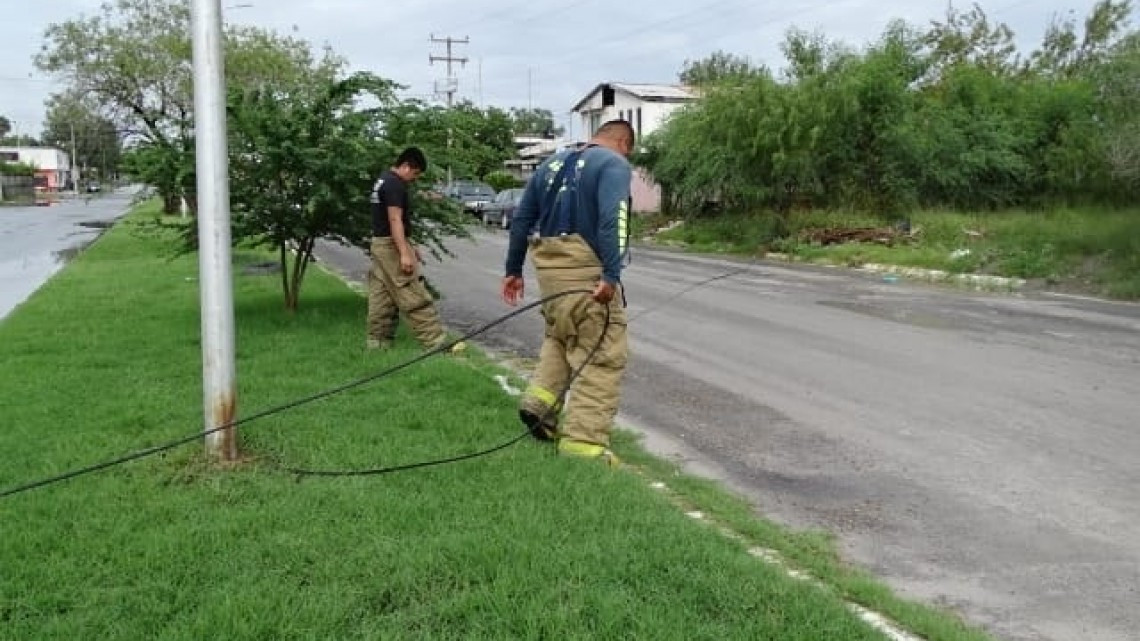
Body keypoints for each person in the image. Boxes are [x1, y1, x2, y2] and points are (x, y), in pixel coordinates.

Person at [501, 120, 634, 466]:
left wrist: (513, 271)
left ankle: (539, 407)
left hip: (550, 274)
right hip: (586, 273)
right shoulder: (613, 163)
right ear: (623, 143)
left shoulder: (551, 163)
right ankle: (584, 447)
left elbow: (521, 219)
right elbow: (613, 219)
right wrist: (610, 274)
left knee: (561, 338)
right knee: (601, 355)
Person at [366, 147, 450, 352]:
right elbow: (395, 219)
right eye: (415, 173)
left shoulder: (383, 180)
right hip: (391, 246)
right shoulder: (395, 185)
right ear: (405, 166)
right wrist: (404, 253)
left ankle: (378, 344)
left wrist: (410, 245)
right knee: (412, 292)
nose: (414, 179)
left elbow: (390, 222)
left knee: (382, 295)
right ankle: (436, 343)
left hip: (379, 243)